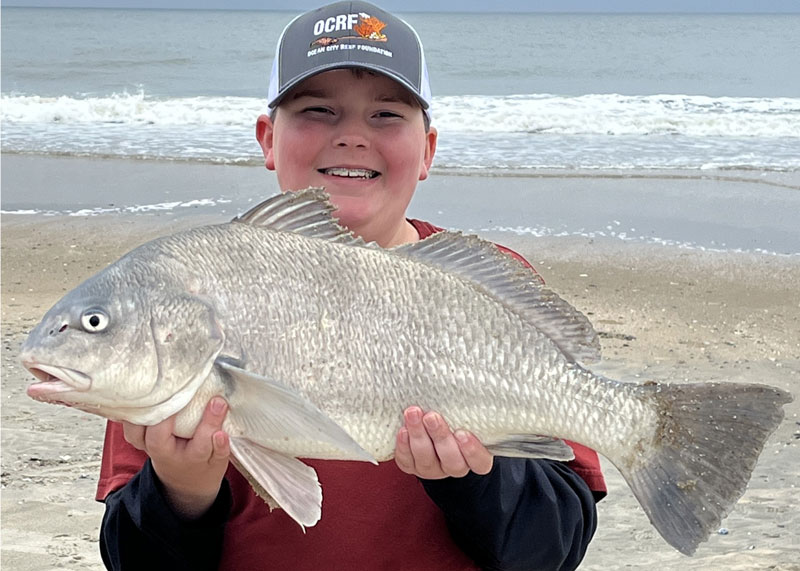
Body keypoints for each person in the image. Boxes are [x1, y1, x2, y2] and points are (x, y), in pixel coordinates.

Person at [96, 2, 606, 570]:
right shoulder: (183, 295)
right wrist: (181, 490)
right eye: (318, 110)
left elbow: (555, 549)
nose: (353, 137)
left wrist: (477, 480)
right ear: (267, 139)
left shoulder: (486, 293)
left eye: (386, 114)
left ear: (427, 150)